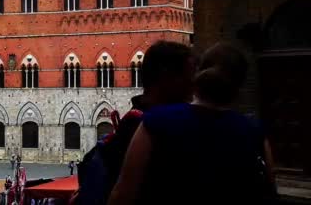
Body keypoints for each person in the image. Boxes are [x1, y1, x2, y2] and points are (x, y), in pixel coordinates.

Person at [109, 43, 277, 205]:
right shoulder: (253, 132)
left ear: (197, 76)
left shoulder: (156, 121)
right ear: (240, 85)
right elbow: (270, 194)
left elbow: (122, 194)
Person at [75, 41, 195, 205]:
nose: (192, 87)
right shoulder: (144, 126)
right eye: (188, 78)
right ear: (166, 78)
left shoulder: (137, 122)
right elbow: (122, 192)